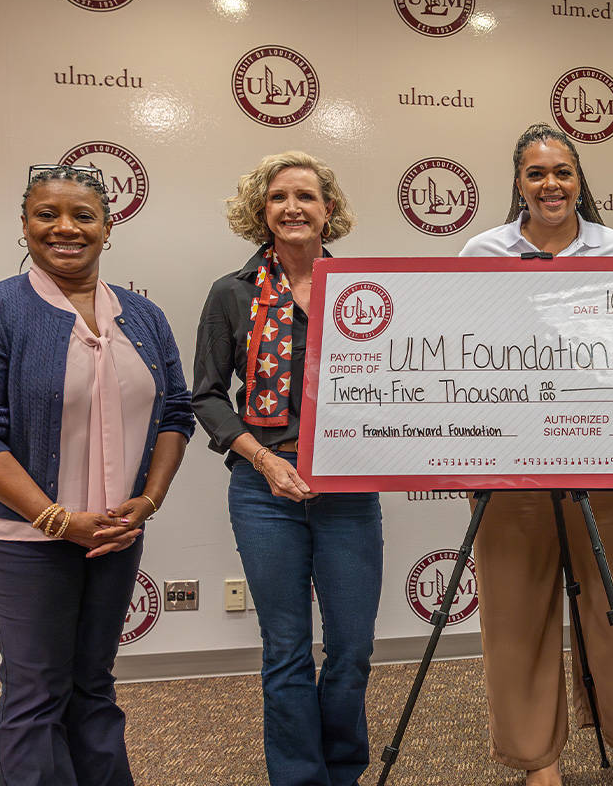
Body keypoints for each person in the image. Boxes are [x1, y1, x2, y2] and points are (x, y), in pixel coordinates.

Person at [0, 164, 193, 785]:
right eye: (46, 214)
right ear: (24, 226)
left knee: (94, 684)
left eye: (83, 215)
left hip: (112, 535)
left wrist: (149, 500)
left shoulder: (143, 315)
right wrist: (54, 518)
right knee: (36, 690)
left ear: (108, 226)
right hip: (20, 540)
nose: (65, 228)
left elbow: (175, 413)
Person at [458, 123, 613, 786]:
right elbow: (459, 358)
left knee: (612, 597)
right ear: (518, 183)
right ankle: (536, 757)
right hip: (510, 459)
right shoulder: (481, 253)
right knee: (515, 606)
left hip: (605, 453)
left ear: (579, 181)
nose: (551, 185)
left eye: (563, 173)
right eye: (537, 174)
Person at [192, 151, 383, 786]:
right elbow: (208, 396)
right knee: (286, 649)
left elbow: (399, 386)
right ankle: (300, 779)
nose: (292, 207)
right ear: (261, 211)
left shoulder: (366, 294)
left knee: (352, 650)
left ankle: (343, 771)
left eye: (306, 196)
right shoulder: (232, 294)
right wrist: (264, 460)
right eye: (279, 198)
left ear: (330, 211)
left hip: (347, 491)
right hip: (263, 489)